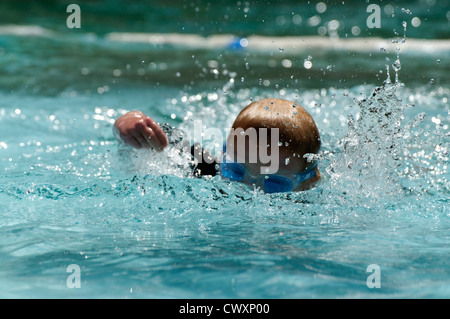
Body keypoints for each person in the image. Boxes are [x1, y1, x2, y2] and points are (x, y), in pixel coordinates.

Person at [113, 98, 321, 193]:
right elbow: (162, 139)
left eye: (274, 185)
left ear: (307, 183)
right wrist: (128, 125)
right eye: (236, 172)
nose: (249, 190)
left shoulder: (311, 203)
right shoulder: (205, 168)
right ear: (224, 154)